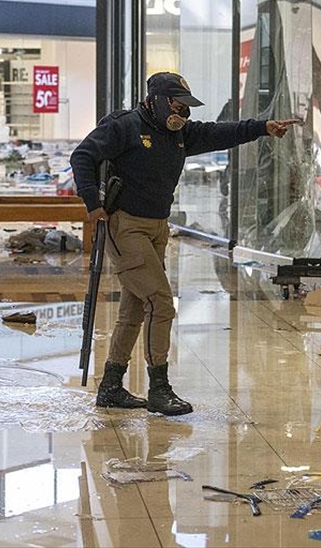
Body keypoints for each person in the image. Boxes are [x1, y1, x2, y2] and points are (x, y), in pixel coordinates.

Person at [71, 71, 299, 415]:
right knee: (161, 303)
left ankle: (111, 386)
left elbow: (222, 133)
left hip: (157, 227)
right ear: (159, 102)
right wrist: (94, 204)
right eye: (178, 107)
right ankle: (159, 388)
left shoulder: (180, 134)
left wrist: (261, 128)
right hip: (126, 227)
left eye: (188, 109)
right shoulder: (125, 126)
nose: (184, 115)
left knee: (134, 308)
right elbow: (82, 157)